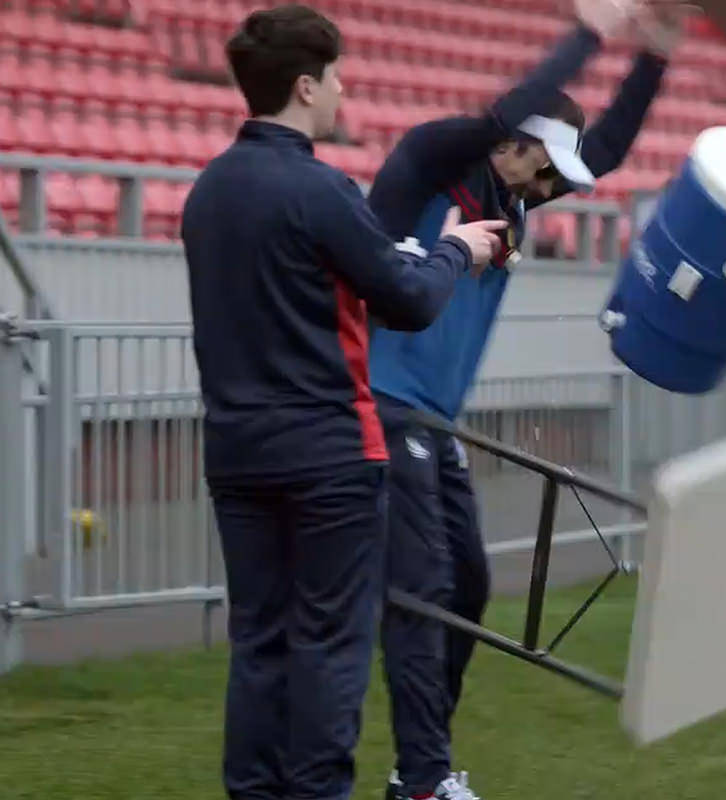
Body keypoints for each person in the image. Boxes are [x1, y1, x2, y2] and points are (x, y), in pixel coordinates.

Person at [181, 6, 506, 800]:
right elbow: (408, 299)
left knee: (259, 640)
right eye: (332, 76)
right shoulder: (321, 189)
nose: (341, 87)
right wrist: (456, 250)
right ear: (304, 86)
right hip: (327, 452)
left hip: (236, 451)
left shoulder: (208, 190)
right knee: (330, 643)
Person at [365, 2, 682, 798]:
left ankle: (420, 764)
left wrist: (653, 61)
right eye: (543, 164)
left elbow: (601, 151)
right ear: (513, 141)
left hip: (433, 418)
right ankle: (426, 780)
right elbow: (500, 114)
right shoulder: (432, 164)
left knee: (466, 586)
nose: (549, 186)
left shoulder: (511, 198)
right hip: (378, 402)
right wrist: (590, 36)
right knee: (424, 590)